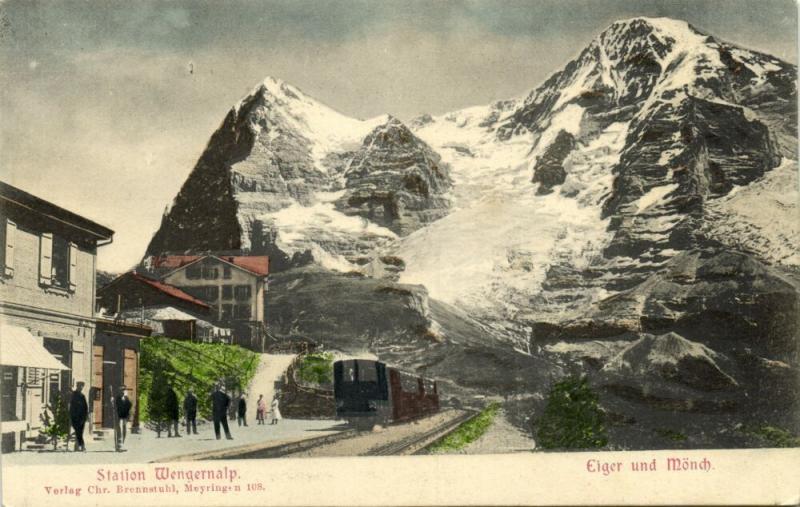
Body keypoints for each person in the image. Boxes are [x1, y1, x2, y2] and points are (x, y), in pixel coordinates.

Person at [68, 382, 88, 452]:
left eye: (82, 386)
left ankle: (77, 446)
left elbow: (85, 407)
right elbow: (71, 407)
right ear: (77, 386)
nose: (81, 388)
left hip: (82, 417)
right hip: (75, 417)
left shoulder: (82, 396)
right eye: (80, 386)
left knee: (79, 432)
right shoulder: (73, 395)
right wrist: (70, 415)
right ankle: (81, 446)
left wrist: (86, 417)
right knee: (78, 432)